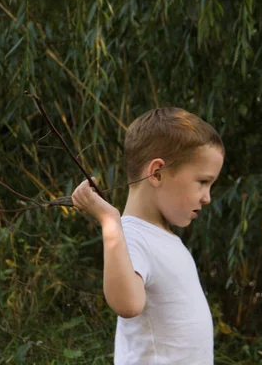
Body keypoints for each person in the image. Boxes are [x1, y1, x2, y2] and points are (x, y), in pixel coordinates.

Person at [71, 107, 225, 364]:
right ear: (156, 173)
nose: (207, 197)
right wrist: (109, 222)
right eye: (202, 182)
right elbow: (128, 304)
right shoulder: (130, 236)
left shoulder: (163, 237)